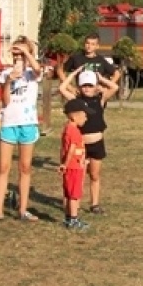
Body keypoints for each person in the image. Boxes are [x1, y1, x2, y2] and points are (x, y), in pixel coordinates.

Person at [0, 37, 43, 223]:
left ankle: (23, 210)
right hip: (9, 123)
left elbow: (38, 70)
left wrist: (27, 53)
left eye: (21, 53)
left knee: (25, 167)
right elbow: (6, 101)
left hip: (27, 123)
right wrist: (8, 82)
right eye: (15, 53)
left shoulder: (31, 73)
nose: (18, 57)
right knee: (3, 167)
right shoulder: (5, 74)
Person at [68, 66, 116, 213]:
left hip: (97, 143)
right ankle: (75, 202)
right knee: (79, 175)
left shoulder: (100, 99)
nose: (87, 88)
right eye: (84, 85)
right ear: (79, 87)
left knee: (94, 174)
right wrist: (75, 73)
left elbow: (114, 87)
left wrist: (100, 78)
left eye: (90, 85)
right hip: (81, 144)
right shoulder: (77, 101)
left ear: (95, 86)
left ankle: (95, 203)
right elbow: (64, 88)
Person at [60, 98, 91, 231]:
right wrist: (66, 164)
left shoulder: (68, 129)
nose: (86, 118)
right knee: (74, 194)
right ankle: (73, 219)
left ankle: (69, 218)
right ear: (74, 116)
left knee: (69, 193)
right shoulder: (74, 131)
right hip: (74, 167)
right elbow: (71, 148)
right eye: (84, 115)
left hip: (73, 165)